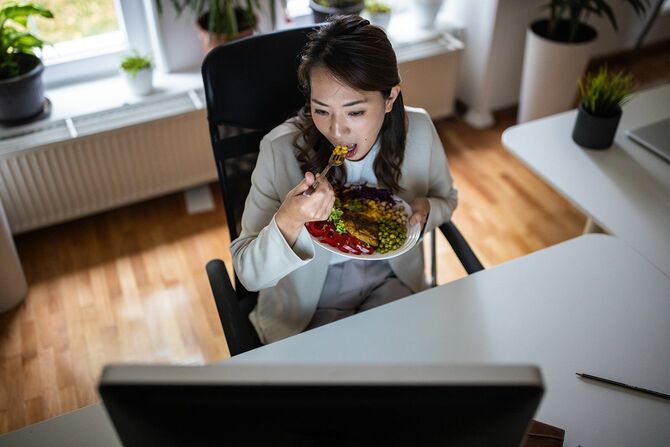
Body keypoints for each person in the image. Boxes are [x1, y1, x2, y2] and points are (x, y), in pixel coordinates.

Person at [231, 15, 458, 344]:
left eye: (355, 112)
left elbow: (447, 199)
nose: (336, 131)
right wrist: (289, 221)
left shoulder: (419, 131)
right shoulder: (278, 150)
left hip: (391, 282)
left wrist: (425, 209)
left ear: (390, 98)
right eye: (321, 110)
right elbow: (248, 275)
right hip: (310, 304)